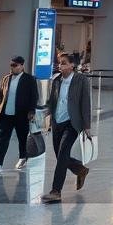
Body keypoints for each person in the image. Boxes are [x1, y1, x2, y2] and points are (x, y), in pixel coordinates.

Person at [42, 53, 91, 203]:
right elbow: (52, 101)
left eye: (63, 63)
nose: (60, 65)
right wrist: (44, 113)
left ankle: (56, 191)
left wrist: (87, 126)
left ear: (72, 65)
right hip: (57, 122)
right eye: (59, 63)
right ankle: (80, 169)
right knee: (60, 156)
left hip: (72, 123)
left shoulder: (81, 80)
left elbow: (85, 103)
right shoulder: (57, 80)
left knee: (63, 153)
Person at [0, 55, 39, 175]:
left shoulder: (29, 79)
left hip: (22, 115)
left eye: (15, 65)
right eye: (11, 65)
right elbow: (0, 96)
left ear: (21, 66)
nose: (12, 67)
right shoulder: (6, 78)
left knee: (22, 138)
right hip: (6, 115)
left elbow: (34, 96)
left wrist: (31, 111)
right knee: (3, 138)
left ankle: (23, 157)